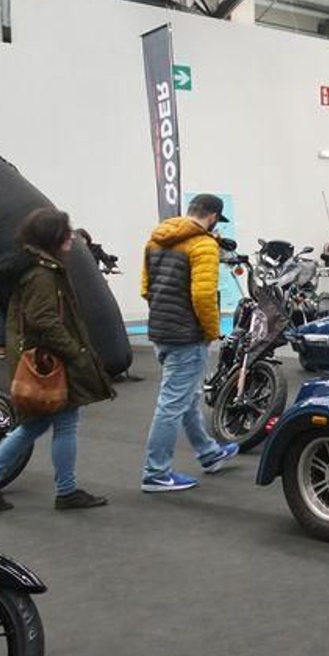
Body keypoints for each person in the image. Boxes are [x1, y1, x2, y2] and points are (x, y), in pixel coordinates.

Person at [0, 208, 112, 511]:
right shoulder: (44, 274)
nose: (71, 237)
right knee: (66, 424)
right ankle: (66, 490)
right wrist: (75, 353)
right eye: (66, 232)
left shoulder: (32, 268)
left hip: (34, 359)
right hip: (51, 361)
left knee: (33, 425)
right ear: (53, 238)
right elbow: (44, 319)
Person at [139, 194, 239, 493]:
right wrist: (211, 331)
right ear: (211, 217)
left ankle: (209, 453)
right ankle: (155, 473)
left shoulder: (156, 239)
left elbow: (146, 288)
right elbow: (203, 296)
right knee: (171, 404)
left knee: (186, 397)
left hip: (161, 331)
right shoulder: (204, 244)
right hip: (187, 336)